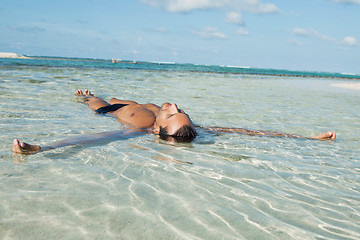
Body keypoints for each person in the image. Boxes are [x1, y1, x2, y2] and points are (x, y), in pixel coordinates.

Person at [12, 89, 336, 154]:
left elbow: (94, 138)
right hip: (136, 101)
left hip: (114, 110)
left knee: (98, 99)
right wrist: (308, 139)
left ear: (157, 130)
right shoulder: (187, 127)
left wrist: (45, 147)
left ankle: (87, 95)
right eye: (180, 108)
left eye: (171, 111)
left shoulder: (138, 129)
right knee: (119, 95)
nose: (174, 104)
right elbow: (251, 132)